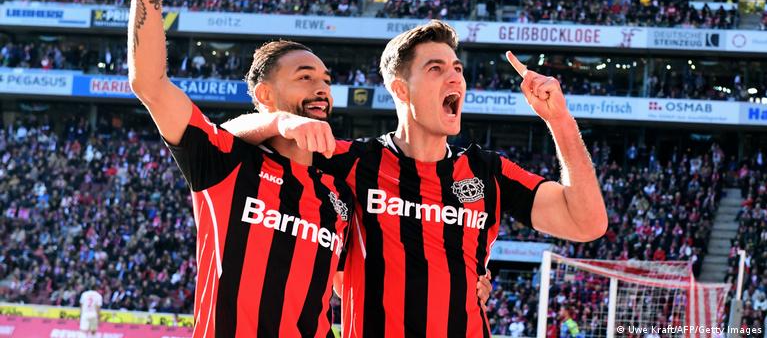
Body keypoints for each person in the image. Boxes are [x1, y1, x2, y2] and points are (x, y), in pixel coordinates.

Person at [227, 20, 606, 336]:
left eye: (457, 69)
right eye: (436, 69)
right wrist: (279, 120)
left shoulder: (487, 171)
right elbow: (224, 141)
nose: (454, 78)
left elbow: (587, 222)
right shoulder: (351, 162)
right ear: (401, 89)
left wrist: (559, 120)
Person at [127, 0, 355, 336]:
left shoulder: (340, 190)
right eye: (305, 77)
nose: (322, 88)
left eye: (326, 80)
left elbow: (350, 284)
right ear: (264, 95)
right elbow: (150, 84)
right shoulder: (224, 162)